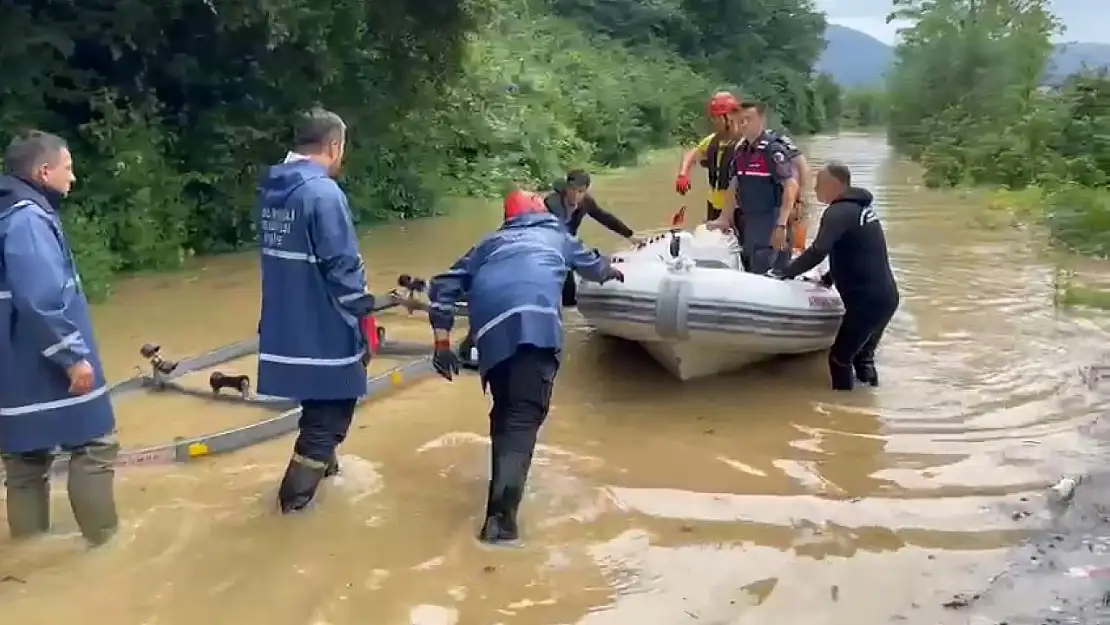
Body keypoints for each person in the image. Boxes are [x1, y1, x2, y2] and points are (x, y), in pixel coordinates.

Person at [425, 189, 624, 544]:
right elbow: (594, 268)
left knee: (505, 414)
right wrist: (612, 271)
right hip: (534, 332)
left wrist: (442, 342)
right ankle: (500, 527)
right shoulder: (558, 235)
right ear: (538, 210)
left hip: (491, 340)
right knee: (521, 421)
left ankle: (500, 500)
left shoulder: (488, 244)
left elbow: (442, 287)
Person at [0, 130, 118, 545]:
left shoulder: (5, 210)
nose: (74, 177)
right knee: (94, 444)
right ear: (44, 171)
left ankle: (31, 555)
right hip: (41, 361)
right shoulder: (28, 218)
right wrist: (72, 356)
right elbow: (40, 299)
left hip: (9, 367)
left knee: (25, 459)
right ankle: (106, 548)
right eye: (68, 168)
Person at [256, 107, 377, 513]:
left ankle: (327, 483)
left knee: (317, 408)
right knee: (329, 419)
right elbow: (342, 267)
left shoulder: (273, 189)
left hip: (287, 325)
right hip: (324, 326)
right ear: (334, 145)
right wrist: (365, 316)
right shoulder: (323, 193)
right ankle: (292, 507)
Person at [770, 162, 899, 391]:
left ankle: (843, 412)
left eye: (819, 185)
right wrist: (828, 279)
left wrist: (785, 272)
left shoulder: (837, 212)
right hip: (887, 298)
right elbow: (858, 252)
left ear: (834, 185)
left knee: (839, 359)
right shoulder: (861, 210)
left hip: (866, 302)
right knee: (863, 358)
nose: (816, 189)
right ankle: (870, 405)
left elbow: (819, 250)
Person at [708, 101, 801, 274]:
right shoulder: (741, 151)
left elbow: (791, 185)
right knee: (750, 266)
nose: (743, 124)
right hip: (749, 222)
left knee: (767, 270)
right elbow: (733, 185)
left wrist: (781, 224)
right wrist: (724, 217)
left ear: (761, 120)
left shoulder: (772, 150)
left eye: (748, 119)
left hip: (771, 221)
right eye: (740, 120)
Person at [543, 169, 641, 306]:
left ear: (586, 191)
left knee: (569, 295)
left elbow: (604, 217)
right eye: (572, 189)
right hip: (550, 244)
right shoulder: (551, 203)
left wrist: (630, 235)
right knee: (565, 285)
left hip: (568, 245)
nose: (575, 195)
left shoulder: (586, 202)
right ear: (566, 187)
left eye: (580, 191)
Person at [675, 92, 743, 221]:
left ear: (729, 117)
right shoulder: (712, 140)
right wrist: (683, 174)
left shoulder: (745, 142)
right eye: (712, 118)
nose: (714, 122)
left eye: (717, 118)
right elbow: (692, 154)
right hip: (714, 204)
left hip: (738, 207)